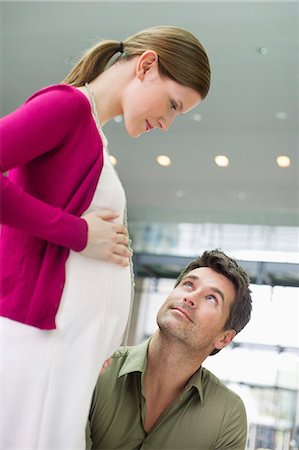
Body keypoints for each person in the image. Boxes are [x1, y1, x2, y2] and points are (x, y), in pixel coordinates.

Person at [0, 26, 210, 449]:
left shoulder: (92, 129)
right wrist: (77, 233)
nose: (167, 124)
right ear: (147, 65)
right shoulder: (68, 107)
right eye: (172, 105)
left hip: (61, 351)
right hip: (42, 343)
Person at [86, 249, 252, 450]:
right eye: (188, 284)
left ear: (224, 338)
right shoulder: (97, 368)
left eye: (211, 298)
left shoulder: (227, 416)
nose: (190, 297)